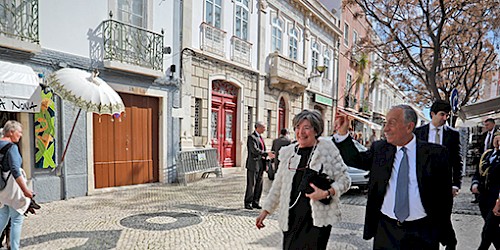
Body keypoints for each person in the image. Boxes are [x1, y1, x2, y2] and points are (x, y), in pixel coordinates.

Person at [333, 105, 453, 249]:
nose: (386, 129)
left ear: (409, 127)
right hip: (386, 230)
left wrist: (447, 234)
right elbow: (356, 159)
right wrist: (342, 134)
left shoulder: (436, 154)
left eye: (392, 123)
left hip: (422, 232)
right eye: (386, 123)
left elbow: (444, 198)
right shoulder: (380, 149)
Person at [255, 109, 351, 249]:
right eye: (297, 128)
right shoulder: (288, 153)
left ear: (316, 130)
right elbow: (278, 186)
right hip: (291, 218)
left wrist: (327, 192)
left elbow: (345, 180)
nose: (301, 132)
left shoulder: (326, 150)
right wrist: (265, 211)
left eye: (306, 128)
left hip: (316, 221)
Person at [414, 100, 461, 249]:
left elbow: (457, 161)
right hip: (422, 185)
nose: (445, 118)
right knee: (424, 220)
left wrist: (456, 184)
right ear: (432, 114)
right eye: (442, 114)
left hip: (443, 187)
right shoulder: (419, 133)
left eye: (447, 115)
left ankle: (448, 241)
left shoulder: (452, 135)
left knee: (443, 219)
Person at [0, 120, 34, 250]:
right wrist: (25, 190)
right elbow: (15, 170)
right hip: (12, 188)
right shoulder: (11, 147)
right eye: (19, 132)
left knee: (3, 214)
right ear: (11, 132)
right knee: (17, 218)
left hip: (1, 188)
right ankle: (15, 248)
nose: (20, 135)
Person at [470, 132, 500, 250]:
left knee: (488, 228)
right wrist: (475, 183)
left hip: (496, 197)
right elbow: (479, 172)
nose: (497, 141)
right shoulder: (487, 154)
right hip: (484, 196)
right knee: (492, 229)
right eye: (496, 138)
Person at [244, 121, 274, 210]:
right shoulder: (251, 137)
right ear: (258, 127)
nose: (265, 129)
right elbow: (254, 150)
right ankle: (248, 202)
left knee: (259, 185)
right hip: (253, 165)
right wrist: (266, 153)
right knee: (251, 184)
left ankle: (255, 202)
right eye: (264, 127)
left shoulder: (260, 137)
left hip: (261, 164)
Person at [473, 118, 497, 204]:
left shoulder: (497, 134)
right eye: (485, 125)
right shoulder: (485, 135)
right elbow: (481, 145)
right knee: (479, 176)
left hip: (492, 159)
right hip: (482, 158)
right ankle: (477, 196)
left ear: (493, 124)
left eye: (487, 125)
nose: (486, 127)